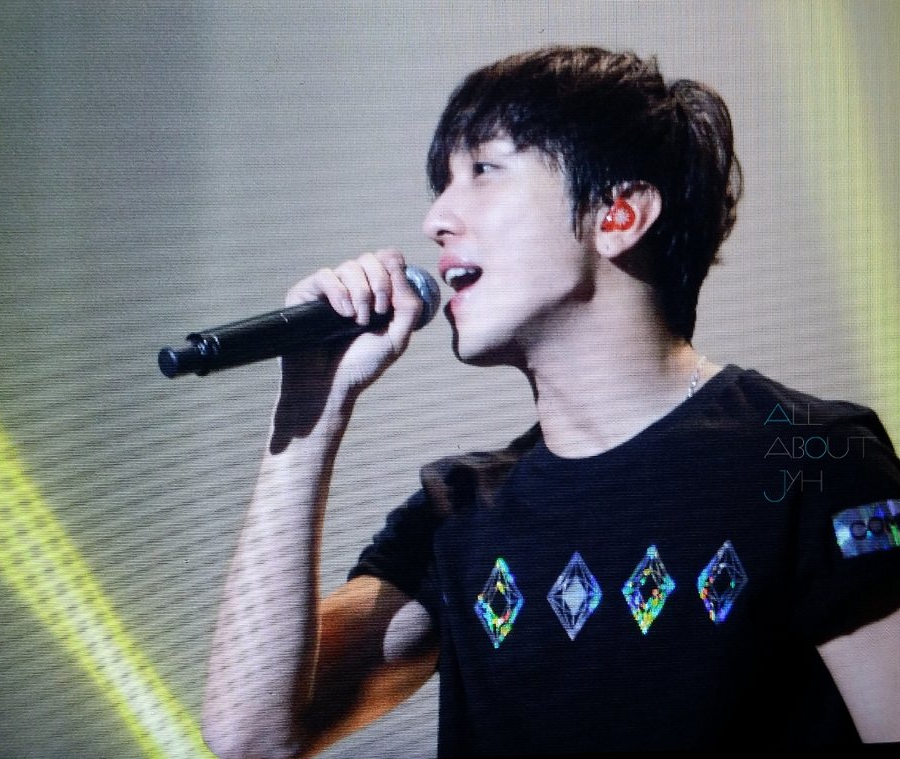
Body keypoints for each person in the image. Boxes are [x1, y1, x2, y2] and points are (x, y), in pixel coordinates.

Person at [202, 46, 900, 756]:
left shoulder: (814, 459)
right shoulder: (459, 513)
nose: (436, 218)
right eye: (442, 184)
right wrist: (312, 407)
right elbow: (252, 739)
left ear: (619, 215)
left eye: (483, 170)